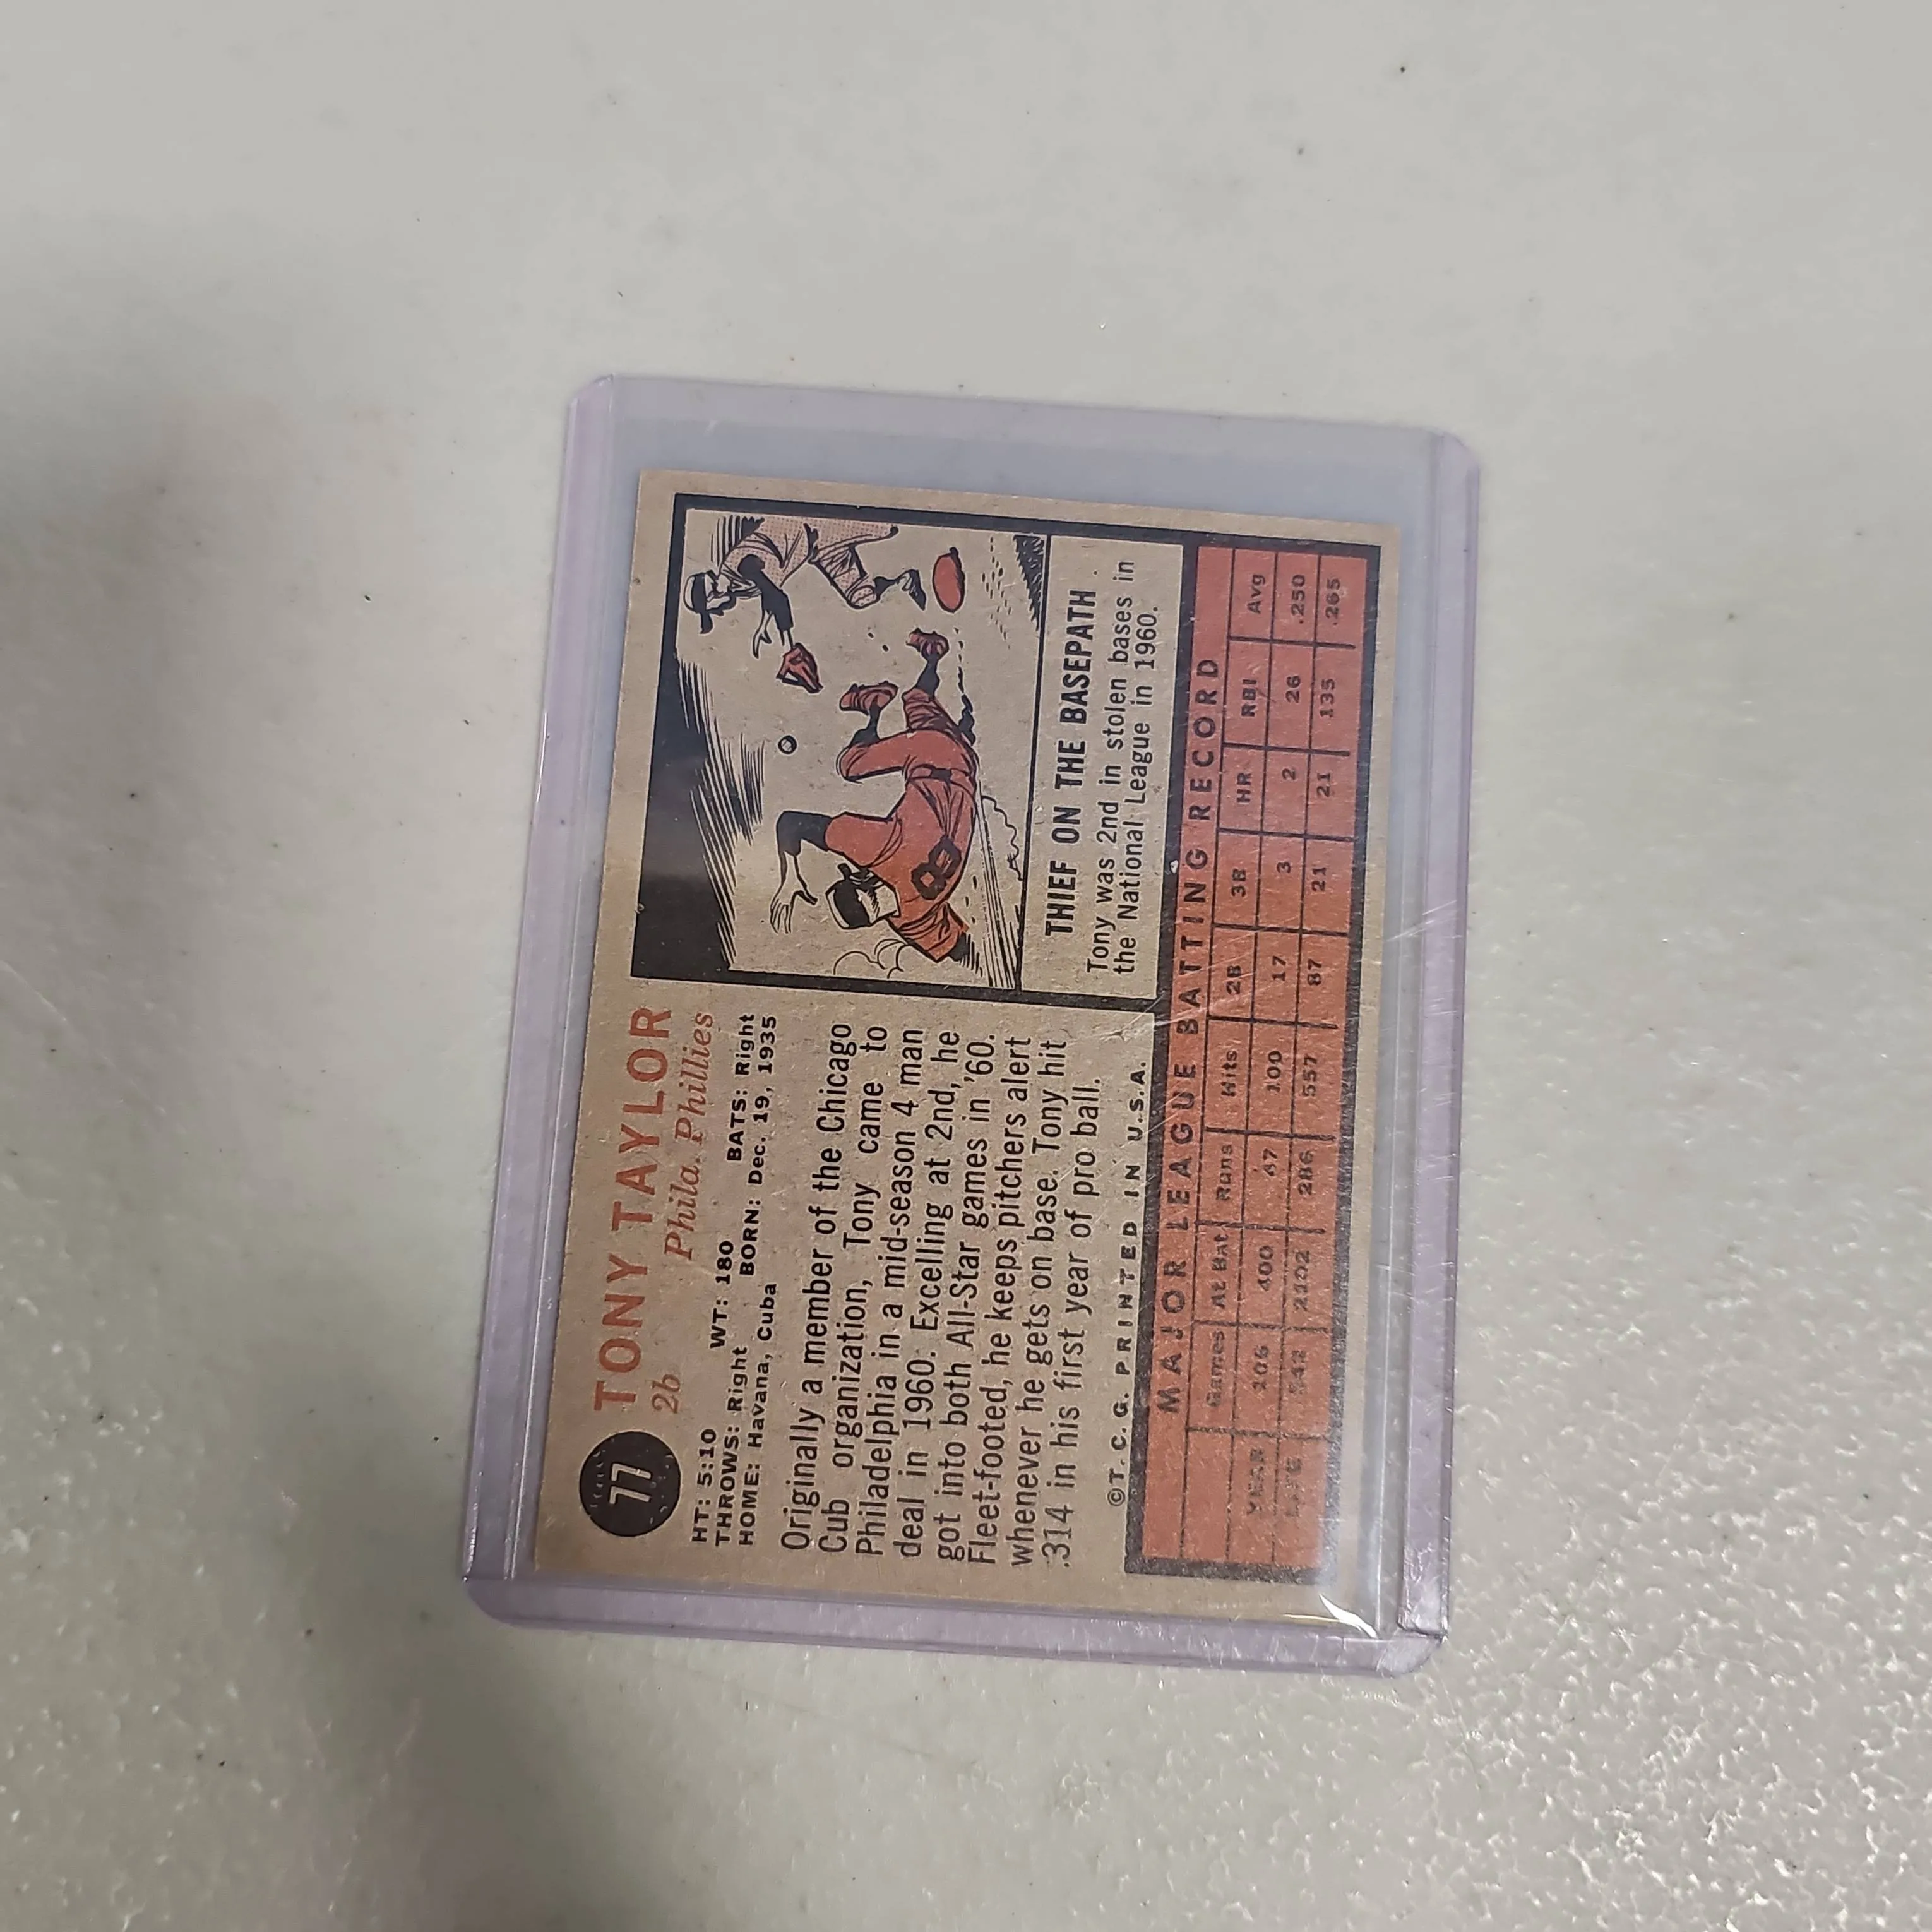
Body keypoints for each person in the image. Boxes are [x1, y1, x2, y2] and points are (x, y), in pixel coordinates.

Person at [768, 630, 978, 964]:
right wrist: (790, 874)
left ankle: (927, 661)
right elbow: (792, 823)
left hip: (965, 767)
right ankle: (875, 705)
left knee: (914, 705)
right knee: (852, 763)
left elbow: (958, 949)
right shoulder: (877, 851)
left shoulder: (912, 920)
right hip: (929, 754)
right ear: (860, 879)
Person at [684, 515, 926, 692]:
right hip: (818, 552)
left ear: (713, 596)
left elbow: (777, 597)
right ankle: (904, 580)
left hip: (820, 529)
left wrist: (790, 648)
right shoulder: (736, 583)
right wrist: (764, 624)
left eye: (712, 610)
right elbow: (770, 590)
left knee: (887, 527)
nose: (719, 612)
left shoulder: (742, 566)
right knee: (861, 597)